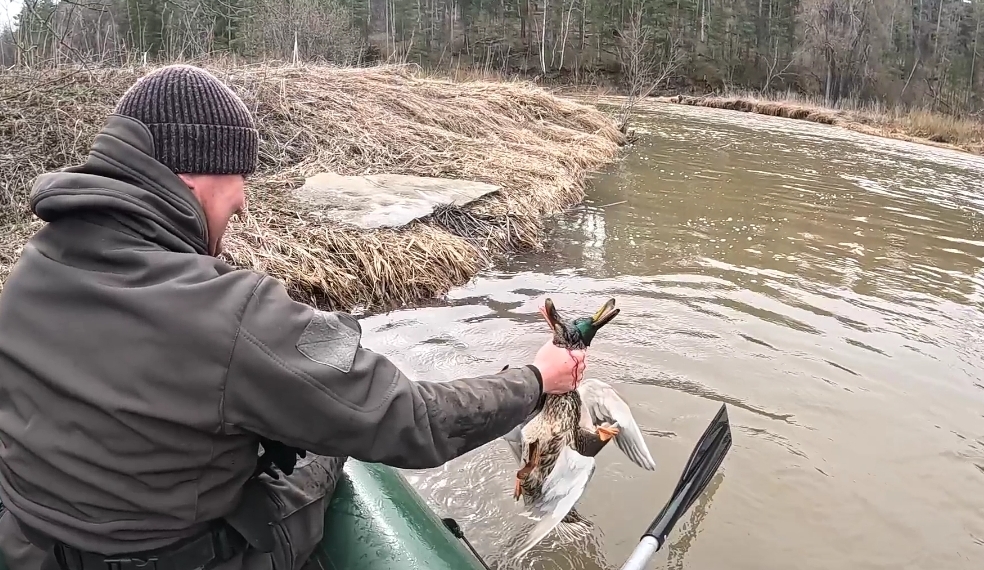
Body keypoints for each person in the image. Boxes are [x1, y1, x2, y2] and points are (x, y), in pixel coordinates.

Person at [0, 64, 587, 570]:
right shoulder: (228, 311)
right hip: (180, 557)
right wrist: (536, 381)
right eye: (238, 178)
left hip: (32, 549)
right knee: (331, 446)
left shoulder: (36, 263)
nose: (244, 200)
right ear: (192, 177)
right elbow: (412, 419)